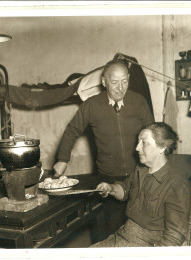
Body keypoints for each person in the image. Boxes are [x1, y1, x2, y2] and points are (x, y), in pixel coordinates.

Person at [53, 59, 154, 237]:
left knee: (139, 232)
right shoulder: (91, 105)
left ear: (129, 79)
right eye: (114, 82)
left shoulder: (139, 102)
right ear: (104, 82)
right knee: (107, 232)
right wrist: (62, 159)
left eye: (124, 81)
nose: (120, 87)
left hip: (139, 176)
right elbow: (72, 131)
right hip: (108, 178)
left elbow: (153, 134)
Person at [91, 122, 191, 247]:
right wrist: (110, 188)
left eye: (144, 143)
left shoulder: (176, 183)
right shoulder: (141, 170)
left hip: (147, 244)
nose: (137, 148)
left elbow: (174, 236)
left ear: (162, 147)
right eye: (138, 142)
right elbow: (125, 189)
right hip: (124, 233)